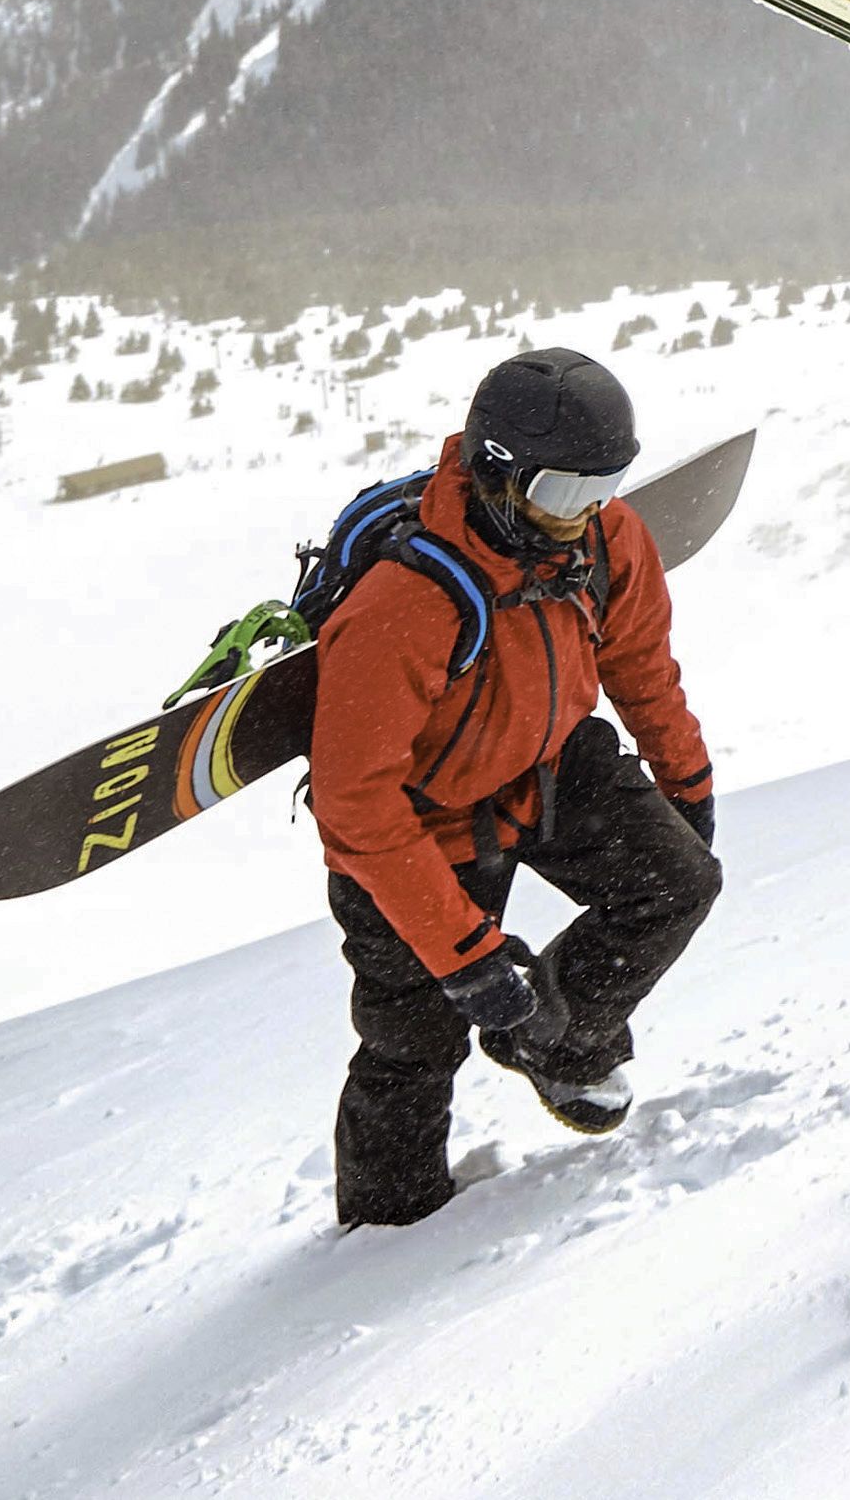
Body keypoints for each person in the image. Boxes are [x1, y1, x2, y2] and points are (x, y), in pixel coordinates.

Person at [307, 346, 719, 1228]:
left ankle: (559, 1042)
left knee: (678, 880)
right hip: (419, 825)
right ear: (501, 476)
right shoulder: (401, 606)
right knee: (412, 1043)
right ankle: (382, 1238)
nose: (585, 514)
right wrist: (468, 957)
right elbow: (356, 807)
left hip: (547, 763)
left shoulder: (607, 537)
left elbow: (639, 660)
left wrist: (688, 780)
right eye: (564, 492)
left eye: (603, 487)